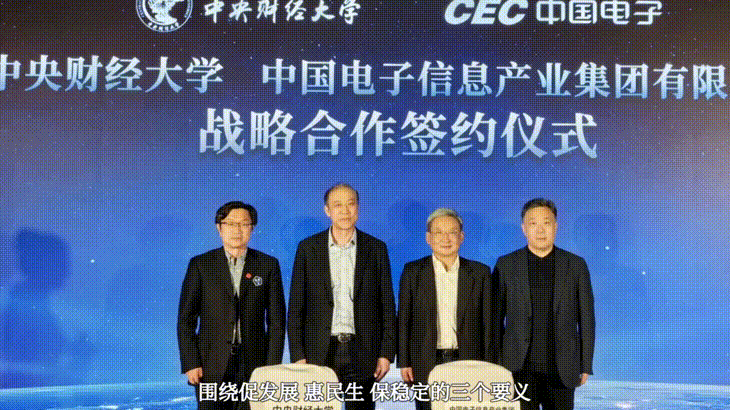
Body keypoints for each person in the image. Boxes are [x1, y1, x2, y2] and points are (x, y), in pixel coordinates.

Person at [287, 183, 396, 410]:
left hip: (363, 351)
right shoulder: (308, 249)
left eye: (350, 204)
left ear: (358, 208)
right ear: (327, 210)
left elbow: (387, 305)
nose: (345, 211)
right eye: (338, 205)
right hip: (319, 351)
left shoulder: (376, 248)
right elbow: (296, 306)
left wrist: (386, 354)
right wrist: (298, 355)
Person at [178, 201, 286, 409]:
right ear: (219, 228)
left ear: (252, 228)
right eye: (230, 224)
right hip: (210, 364)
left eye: (244, 224)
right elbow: (186, 320)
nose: (238, 230)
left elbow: (277, 321)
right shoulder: (201, 265)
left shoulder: (267, 265)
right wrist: (191, 363)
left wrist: (272, 366)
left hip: (255, 363)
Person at [494, 198, 595, 410]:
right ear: (524, 228)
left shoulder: (575, 265)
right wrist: (496, 363)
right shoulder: (506, 264)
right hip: (518, 368)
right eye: (533, 223)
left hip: (562, 368)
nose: (540, 230)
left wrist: (586, 364)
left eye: (546, 223)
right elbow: (494, 318)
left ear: (556, 226)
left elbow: (587, 319)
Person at [398, 208, 494, 410]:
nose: (446, 238)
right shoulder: (413, 272)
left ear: (461, 237)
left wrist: (489, 365)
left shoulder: (480, 273)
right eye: (439, 232)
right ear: (428, 238)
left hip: (469, 361)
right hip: (426, 360)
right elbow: (404, 318)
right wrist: (404, 362)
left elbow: (489, 324)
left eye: (452, 232)